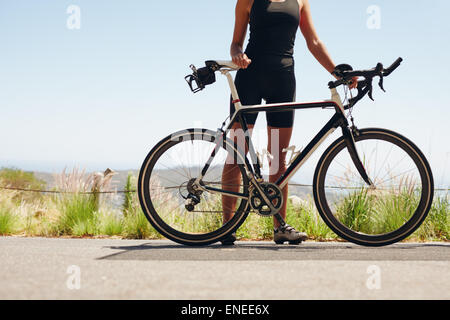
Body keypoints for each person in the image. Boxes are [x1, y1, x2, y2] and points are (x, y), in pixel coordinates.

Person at [221, 0, 357, 245]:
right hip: (249, 78)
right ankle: (226, 227)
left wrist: (338, 72)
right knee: (236, 154)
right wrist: (236, 54)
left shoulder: (300, 1)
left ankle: (280, 228)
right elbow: (235, 43)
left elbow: (313, 43)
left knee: (278, 157)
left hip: (283, 80)